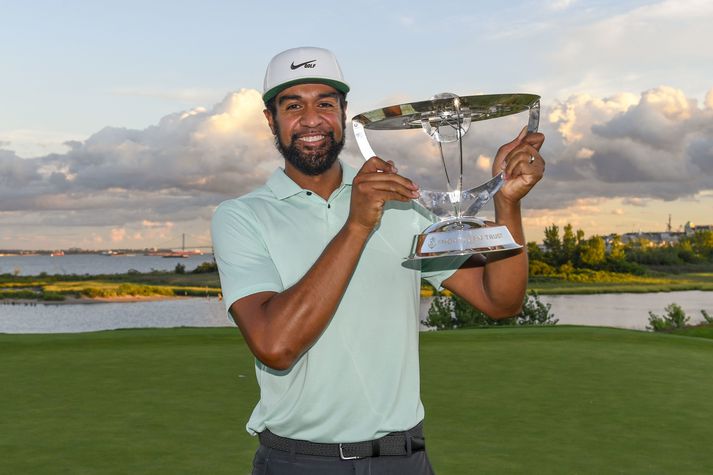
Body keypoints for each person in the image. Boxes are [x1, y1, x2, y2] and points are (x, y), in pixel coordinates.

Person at [211, 46, 545, 474]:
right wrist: (357, 226)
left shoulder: (400, 202)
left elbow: (499, 301)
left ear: (344, 113)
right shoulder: (242, 216)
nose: (312, 119)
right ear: (270, 119)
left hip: (404, 459)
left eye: (325, 104)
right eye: (293, 105)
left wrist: (507, 204)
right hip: (300, 462)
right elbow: (276, 346)